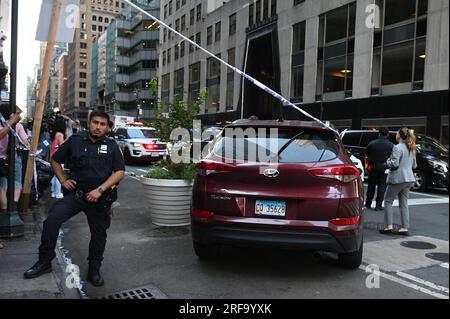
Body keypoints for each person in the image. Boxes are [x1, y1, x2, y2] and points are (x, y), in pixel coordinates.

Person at [24, 110, 125, 286]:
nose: (98, 127)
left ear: (107, 128)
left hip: (99, 199)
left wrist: (100, 190)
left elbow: (119, 172)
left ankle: (94, 270)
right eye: (95, 122)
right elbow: (55, 160)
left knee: (99, 234)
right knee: (52, 220)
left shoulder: (112, 146)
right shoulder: (76, 141)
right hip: (76, 196)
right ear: (89, 123)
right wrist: (63, 180)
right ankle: (44, 261)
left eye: (102, 124)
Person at [380, 128, 417, 236]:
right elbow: (414, 165)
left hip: (398, 179)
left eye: (397, 133)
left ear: (400, 136)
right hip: (409, 178)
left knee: (388, 201)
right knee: (404, 204)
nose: (395, 135)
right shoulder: (411, 148)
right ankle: (405, 227)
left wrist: (387, 161)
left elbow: (394, 164)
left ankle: (388, 226)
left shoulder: (397, 147)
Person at [0, 104, 30, 212]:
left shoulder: (16, 126)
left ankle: (4, 209)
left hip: (3, 159)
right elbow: (26, 142)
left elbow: (26, 142)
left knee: (2, 184)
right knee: (17, 183)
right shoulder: (16, 126)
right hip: (12, 158)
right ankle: (12, 208)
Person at [364, 128, 394, 211]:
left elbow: (366, 156)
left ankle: (368, 203)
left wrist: (367, 166)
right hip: (385, 167)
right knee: (382, 187)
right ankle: (378, 205)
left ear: (379, 134)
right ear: (387, 135)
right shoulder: (391, 145)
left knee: (371, 186)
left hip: (373, 166)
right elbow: (393, 158)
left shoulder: (372, 144)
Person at [49, 117, 66, 199]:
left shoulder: (54, 134)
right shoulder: (60, 134)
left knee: (54, 175)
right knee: (59, 175)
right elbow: (63, 146)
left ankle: (53, 192)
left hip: (52, 156)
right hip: (58, 157)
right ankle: (58, 192)